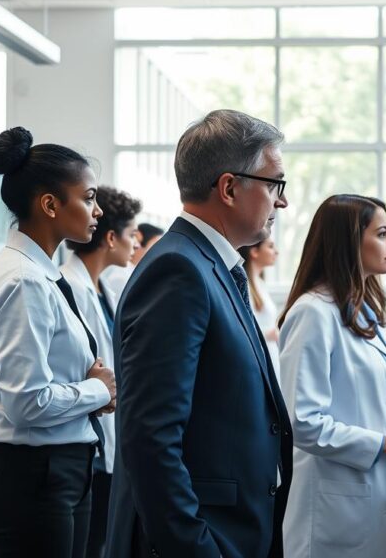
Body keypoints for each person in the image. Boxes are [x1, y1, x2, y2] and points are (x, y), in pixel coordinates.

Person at [106, 109, 293, 558]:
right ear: (228, 188)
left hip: (233, 529)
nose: (282, 202)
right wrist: (196, 548)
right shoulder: (179, 270)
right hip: (203, 539)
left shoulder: (210, 265)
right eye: (275, 184)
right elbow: (151, 439)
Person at [0, 127, 116, 558]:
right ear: (50, 205)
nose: (98, 211)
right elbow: (27, 402)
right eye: (89, 197)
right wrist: (96, 391)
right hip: (33, 477)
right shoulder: (23, 282)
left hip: (56, 472)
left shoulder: (40, 275)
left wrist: (90, 393)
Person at [278, 194, 386, 558]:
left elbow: (371, 399)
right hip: (335, 510)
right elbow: (302, 423)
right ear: (348, 241)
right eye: (381, 234)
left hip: (372, 492)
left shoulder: (360, 309)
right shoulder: (314, 313)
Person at [62, 186, 142, 558]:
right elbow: (85, 373)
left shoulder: (102, 287)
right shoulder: (71, 287)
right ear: (111, 238)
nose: (135, 242)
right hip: (86, 447)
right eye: (132, 234)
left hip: (106, 438)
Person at [240, 238, 281, 376]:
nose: (276, 252)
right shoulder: (244, 286)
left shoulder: (261, 284)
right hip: (258, 356)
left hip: (270, 352)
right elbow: (244, 330)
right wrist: (270, 334)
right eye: (270, 246)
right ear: (255, 252)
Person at [101, 222, 164, 297]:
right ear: (139, 241)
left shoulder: (135, 272)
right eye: (155, 245)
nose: (159, 251)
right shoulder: (121, 274)